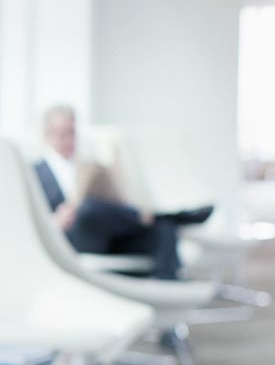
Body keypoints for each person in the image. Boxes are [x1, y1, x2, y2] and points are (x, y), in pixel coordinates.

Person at [32, 104, 212, 280]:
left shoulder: (90, 166)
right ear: (48, 135)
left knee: (163, 229)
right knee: (87, 208)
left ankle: (168, 288)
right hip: (74, 239)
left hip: (109, 232)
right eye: (62, 134)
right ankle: (159, 216)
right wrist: (55, 222)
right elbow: (30, 223)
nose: (69, 140)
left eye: (72, 133)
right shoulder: (34, 173)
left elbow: (116, 200)